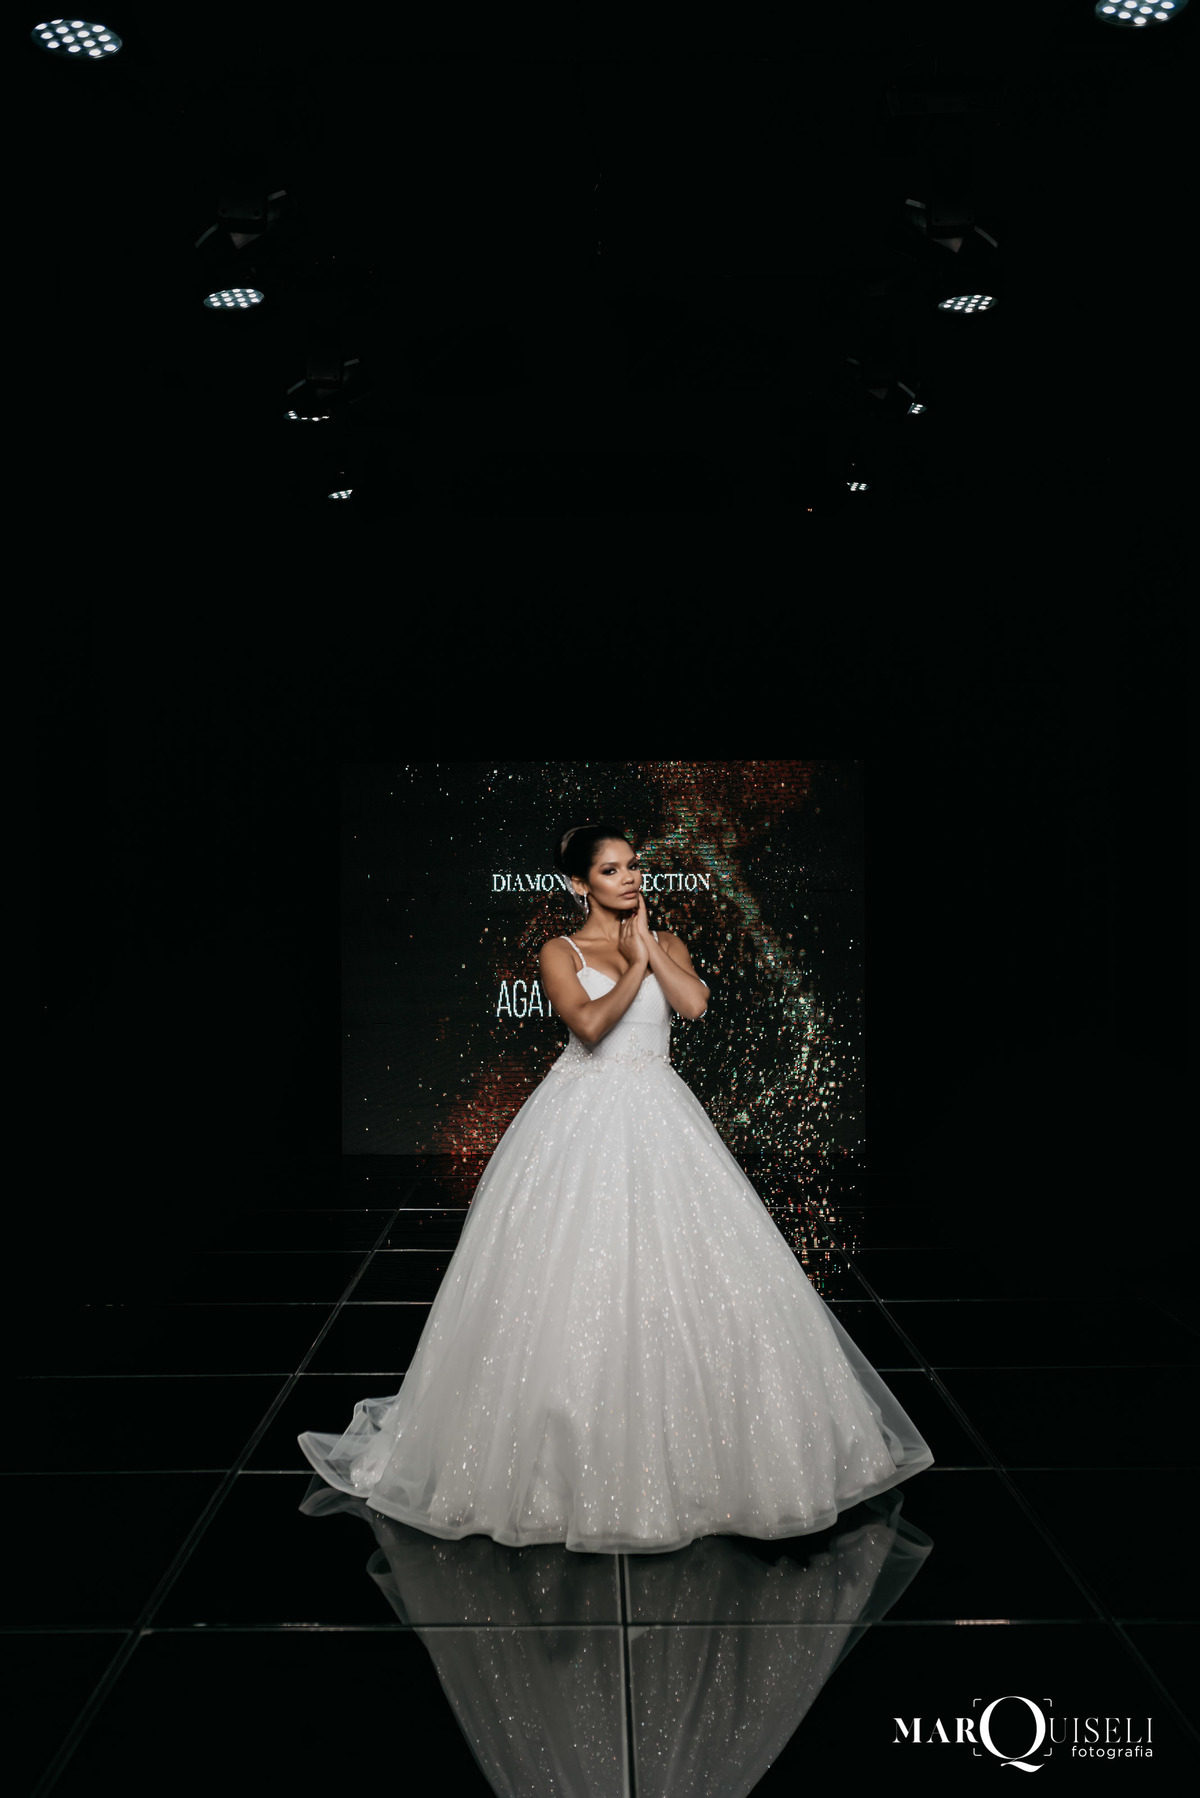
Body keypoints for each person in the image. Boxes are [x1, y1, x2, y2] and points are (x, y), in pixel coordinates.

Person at [298, 820, 934, 1554]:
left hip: (662, 1116)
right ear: (579, 883)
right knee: (574, 1279)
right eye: (610, 870)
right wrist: (633, 965)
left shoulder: (668, 943)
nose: (629, 877)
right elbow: (591, 1026)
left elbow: (693, 1006)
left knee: (689, 1278)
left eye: (633, 866)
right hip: (582, 1118)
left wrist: (651, 950)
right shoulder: (560, 951)